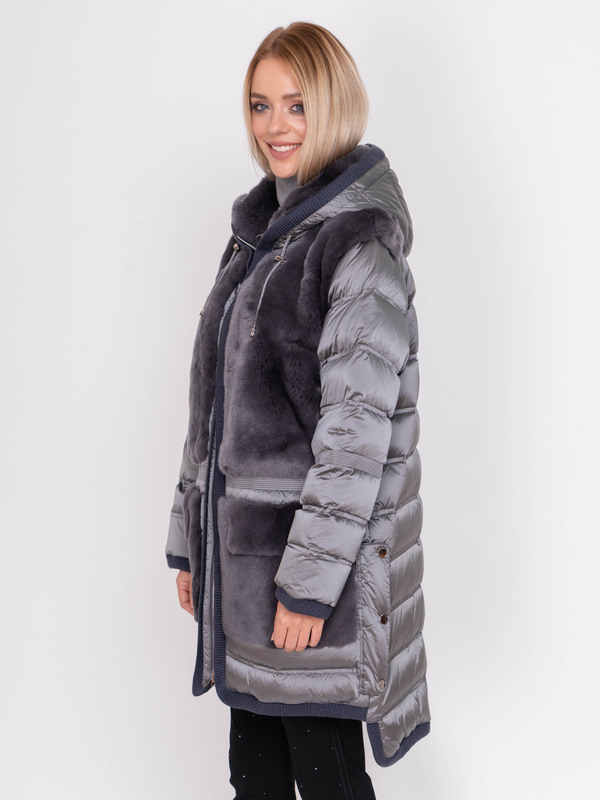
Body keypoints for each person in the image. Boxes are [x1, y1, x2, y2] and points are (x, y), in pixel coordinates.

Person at [165, 21, 431, 799]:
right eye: (261, 105)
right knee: (255, 779)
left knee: (328, 781)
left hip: (313, 582)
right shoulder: (256, 242)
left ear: (335, 107)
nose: (275, 126)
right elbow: (211, 408)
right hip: (246, 573)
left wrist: (308, 588)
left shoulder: (356, 249)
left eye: (297, 105)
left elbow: (355, 438)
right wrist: (190, 542)